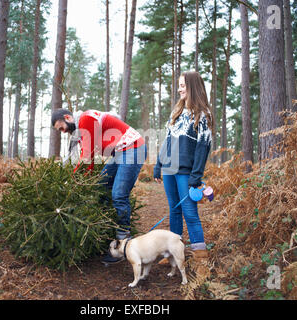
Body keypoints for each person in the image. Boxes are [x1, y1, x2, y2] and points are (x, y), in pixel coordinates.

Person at [52, 108, 147, 264]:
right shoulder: (82, 128)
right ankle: (108, 233)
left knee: (118, 194)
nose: (62, 132)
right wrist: (82, 182)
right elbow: (87, 158)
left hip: (133, 148)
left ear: (68, 117)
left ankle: (123, 246)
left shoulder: (85, 119)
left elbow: (87, 157)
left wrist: (75, 181)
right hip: (119, 152)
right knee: (100, 186)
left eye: (61, 127)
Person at [153, 71, 213, 267]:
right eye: (179, 85)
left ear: (193, 87)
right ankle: (174, 254)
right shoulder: (176, 113)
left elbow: (203, 147)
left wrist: (196, 176)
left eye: (182, 86)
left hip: (186, 173)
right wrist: (158, 165)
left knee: (190, 214)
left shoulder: (202, 115)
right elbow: (167, 141)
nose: (179, 89)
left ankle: (201, 258)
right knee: (174, 211)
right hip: (169, 170)